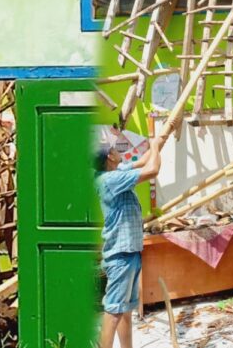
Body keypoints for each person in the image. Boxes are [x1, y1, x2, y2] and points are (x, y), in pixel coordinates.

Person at [96, 135, 166, 348]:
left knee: (124, 309)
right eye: (115, 150)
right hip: (121, 254)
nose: (119, 152)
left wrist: (161, 138)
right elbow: (152, 169)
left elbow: (145, 160)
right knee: (114, 310)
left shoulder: (114, 172)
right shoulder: (109, 180)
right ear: (110, 156)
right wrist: (154, 146)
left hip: (128, 251)